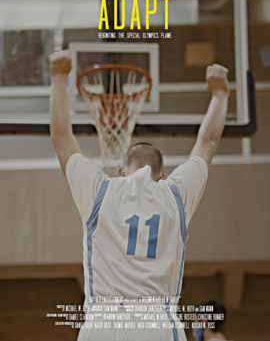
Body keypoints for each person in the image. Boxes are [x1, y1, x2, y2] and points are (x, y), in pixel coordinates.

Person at [49, 50, 230, 341]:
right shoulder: (175, 194)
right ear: (164, 175)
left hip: (103, 324)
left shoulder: (100, 190)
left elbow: (61, 137)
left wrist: (58, 76)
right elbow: (207, 142)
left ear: (121, 171)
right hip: (157, 323)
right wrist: (220, 94)